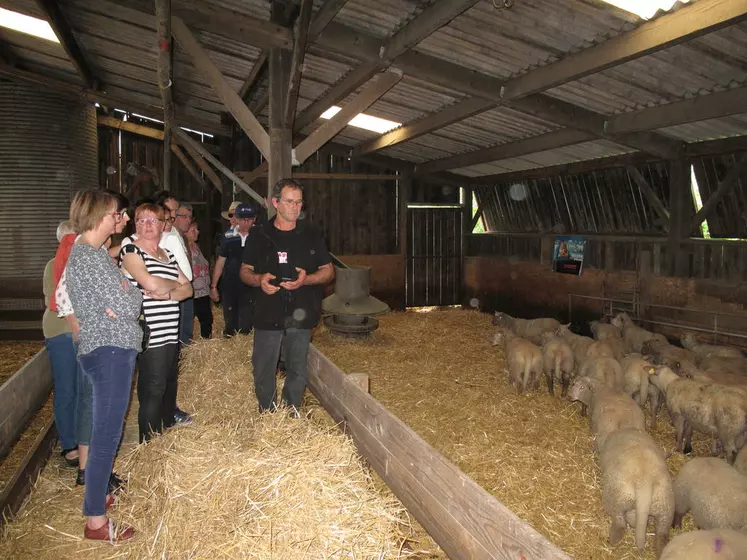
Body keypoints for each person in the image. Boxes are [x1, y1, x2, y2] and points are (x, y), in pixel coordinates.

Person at [65, 189, 142, 542]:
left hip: (108, 348)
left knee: (105, 431)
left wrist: (125, 291)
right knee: (106, 436)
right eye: (118, 213)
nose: (124, 219)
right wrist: (129, 291)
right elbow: (129, 305)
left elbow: (124, 298)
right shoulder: (90, 258)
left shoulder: (89, 254)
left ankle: (98, 495)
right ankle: (95, 521)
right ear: (101, 216)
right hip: (109, 352)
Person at [240, 179, 334, 414]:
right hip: (267, 310)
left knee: (297, 367)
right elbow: (244, 271)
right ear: (275, 202)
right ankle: (268, 412)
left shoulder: (311, 234)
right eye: (289, 201)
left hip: (301, 310)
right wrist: (259, 280)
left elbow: (328, 272)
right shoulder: (259, 234)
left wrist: (307, 280)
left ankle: (292, 411)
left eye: (299, 202)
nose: (295, 207)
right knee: (263, 366)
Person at [120, 203, 193, 442]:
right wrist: (172, 285)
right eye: (140, 220)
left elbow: (188, 289)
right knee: (153, 388)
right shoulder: (131, 251)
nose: (146, 225)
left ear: (163, 225)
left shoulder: (167, 254)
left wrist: (168, 292)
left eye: (152, 220)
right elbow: (149, 284)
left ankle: (161, 431)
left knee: (167, 382)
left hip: (170, 330)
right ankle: (148, 443)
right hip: (150, 331)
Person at [43, 221, 79, 468]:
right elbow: (54, 300)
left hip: (81, 331)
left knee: (81, 386)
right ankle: (69, 443)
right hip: (61, 331)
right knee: (67, 387)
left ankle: (80, 435)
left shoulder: (84, 263)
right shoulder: (52, 266)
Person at [211, 203, 256, 337]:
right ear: (237, 218)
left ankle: (245, 348)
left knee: (247, 322)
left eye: (249, 219)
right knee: (230, 320)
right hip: (230, 284)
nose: (246, 222)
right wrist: (214, 286)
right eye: (243, 219)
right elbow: (220, 261)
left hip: (250, 285)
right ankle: (230, 341)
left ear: (254, 219)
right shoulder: (228, 236)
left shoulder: (259, 236)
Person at [186, 218, 213, 339]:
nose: (197, 232)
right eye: (193, 230)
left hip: (203, 292)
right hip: (193, 293)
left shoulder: (196, 247)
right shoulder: (184, 249)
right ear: (185, 232)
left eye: (197, 230)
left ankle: (206, 343)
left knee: (206, 320)